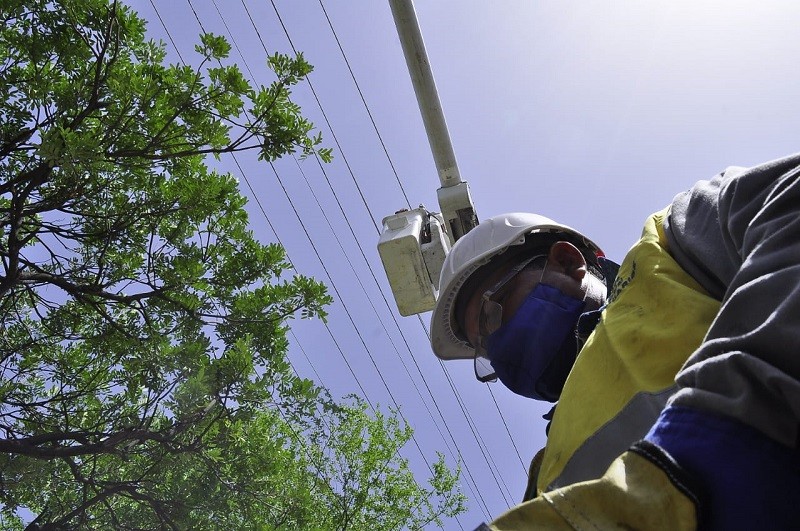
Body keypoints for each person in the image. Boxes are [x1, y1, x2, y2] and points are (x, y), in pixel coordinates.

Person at [429, 153, 800, 529]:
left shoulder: (667, 248)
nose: (498, 349)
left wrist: (717, 448)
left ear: (565, 261)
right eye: (485, 352)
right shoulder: (546, 473)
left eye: (492, 314)